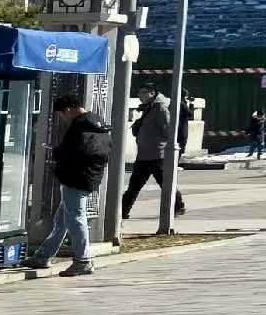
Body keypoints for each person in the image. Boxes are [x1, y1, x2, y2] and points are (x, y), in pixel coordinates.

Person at [27, 93, 114, 278]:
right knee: (62, 221)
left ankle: (83, 261)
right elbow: (98, 151)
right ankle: (42, 256)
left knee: (75, 219)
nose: (61, 119)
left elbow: (77, 152)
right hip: (89, 176)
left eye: (60, 115)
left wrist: (57, 152)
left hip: (76, 178)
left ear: (67, 110)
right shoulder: (97, 123)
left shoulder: (80, 127)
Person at [121, 89, 183, 219]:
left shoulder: (160, 109)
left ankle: (178, 206)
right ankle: (122, 211)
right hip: (144, 155)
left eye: (143, 92)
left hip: (157, 155)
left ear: (152, 93)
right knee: (134, 186)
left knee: (166, 184)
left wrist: (158, 142)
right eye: (139, 93)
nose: (140, 95)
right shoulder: (148, 108)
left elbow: (168, 130)